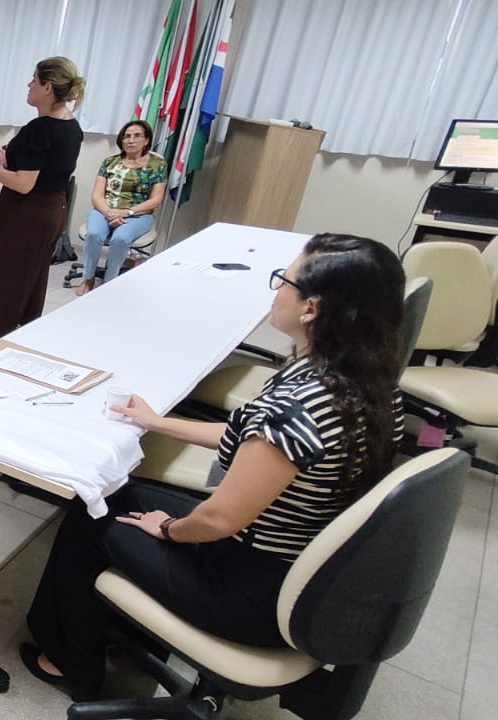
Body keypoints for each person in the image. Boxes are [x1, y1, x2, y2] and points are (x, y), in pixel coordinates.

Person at [21, 234, 407, 702]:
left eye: (284, 281)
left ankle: (69, 662)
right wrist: (157, 422)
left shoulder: (298, 407)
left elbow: (219, 520)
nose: (276, 291)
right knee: (119, 492)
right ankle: (132, 636)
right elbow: (252, 439)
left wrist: (168, 531)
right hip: (305, 565)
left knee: (91, 515)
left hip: (253, 591)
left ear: (312, 309)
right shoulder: (367, 382)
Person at [0, 57, 86, 354]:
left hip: (26, 215)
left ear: (48, 86)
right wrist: (10, 160)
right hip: (51, 210)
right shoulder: (71, 126)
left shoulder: (40, 129)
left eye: (33, 79)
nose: (28, 85)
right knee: (28, 285)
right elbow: (42, 169)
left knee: (4, 287)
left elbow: (24, 184)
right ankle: (16, 348)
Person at [75, 120, 166, 295]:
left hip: (138, 214)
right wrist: (109, 213)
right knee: (93, 234)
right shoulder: (110, 162)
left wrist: (126, 212)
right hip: (104, 210)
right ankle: (88, 278)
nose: (131, 140)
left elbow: (155, 200)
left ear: (146, 141)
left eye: (137, 136)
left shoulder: (157, 165)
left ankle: (110, 281)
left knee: (121, 239)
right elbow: (97, 196)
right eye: (127, 136)